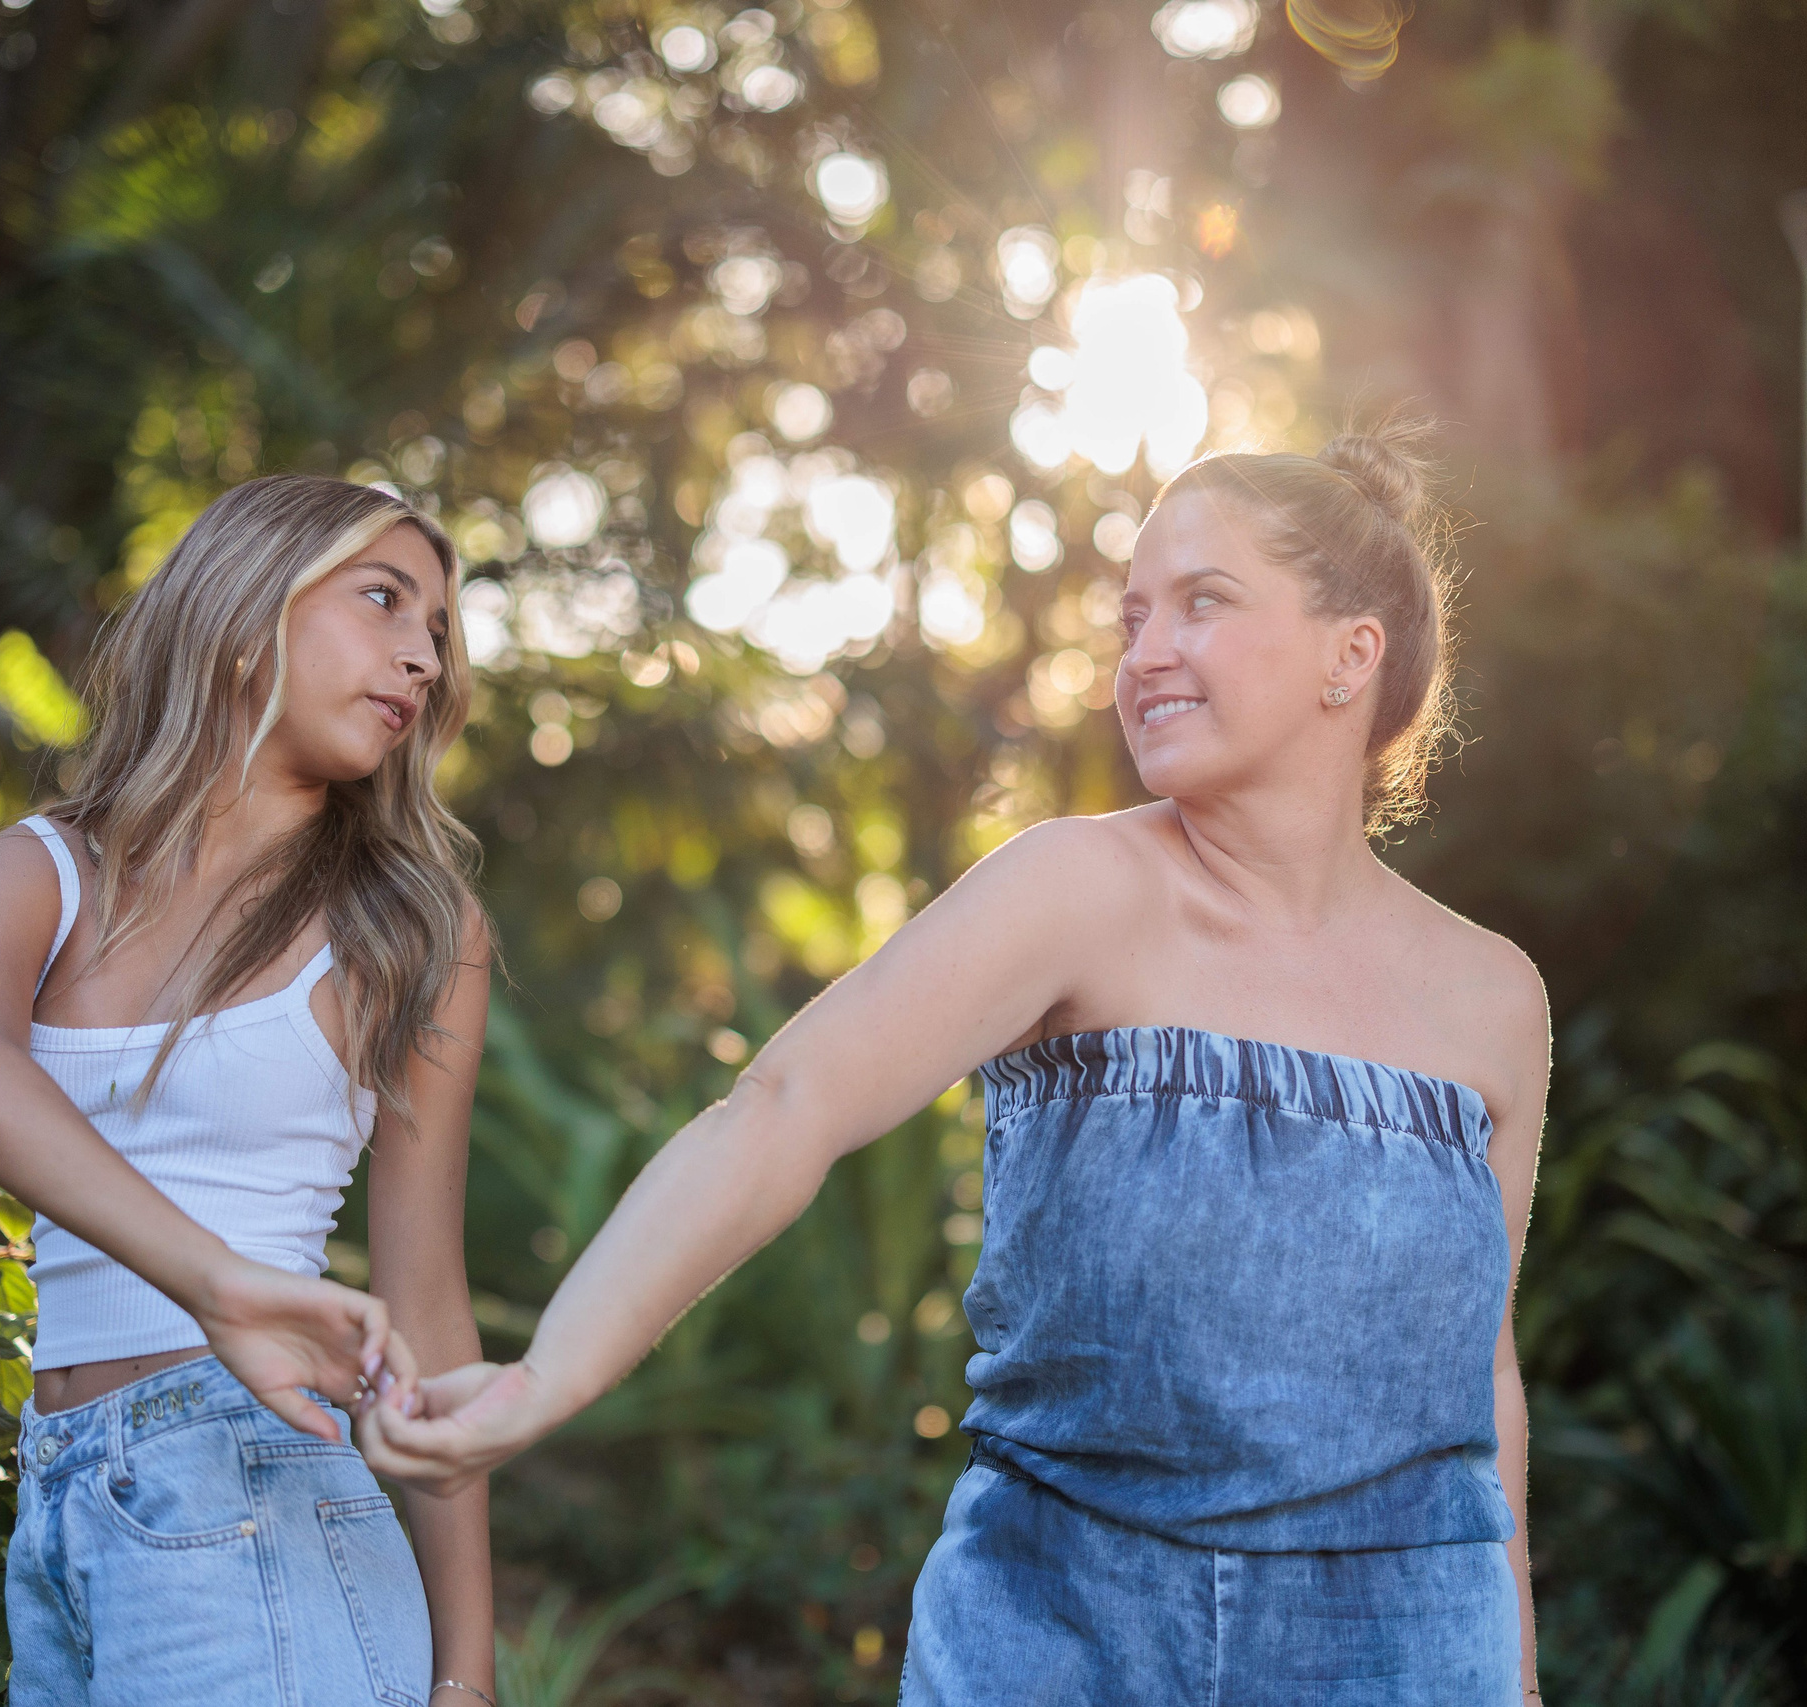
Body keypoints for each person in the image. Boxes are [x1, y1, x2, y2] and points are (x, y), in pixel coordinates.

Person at [357, 422, 1549, 1703]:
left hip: (1404, 1649)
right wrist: (547, 1378)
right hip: (1062, 1631)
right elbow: (785, 1106)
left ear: (1349, 653)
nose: (1144, 656)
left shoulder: (1489, 1000)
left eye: (1201, 604)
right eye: (1131, 617)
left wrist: (1516, 1679)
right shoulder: (1072, 890)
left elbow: (1480, 1373)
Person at [0, 476, 500, 1707]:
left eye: (437, 631)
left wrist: (467, 1668)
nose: (421, 658)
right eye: (384, 600)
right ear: (243, 616)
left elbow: (426, 1304)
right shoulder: (44, 871)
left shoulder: (412, 932)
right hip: (64, 1496)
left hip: (260, 1487)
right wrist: (219, 1283)